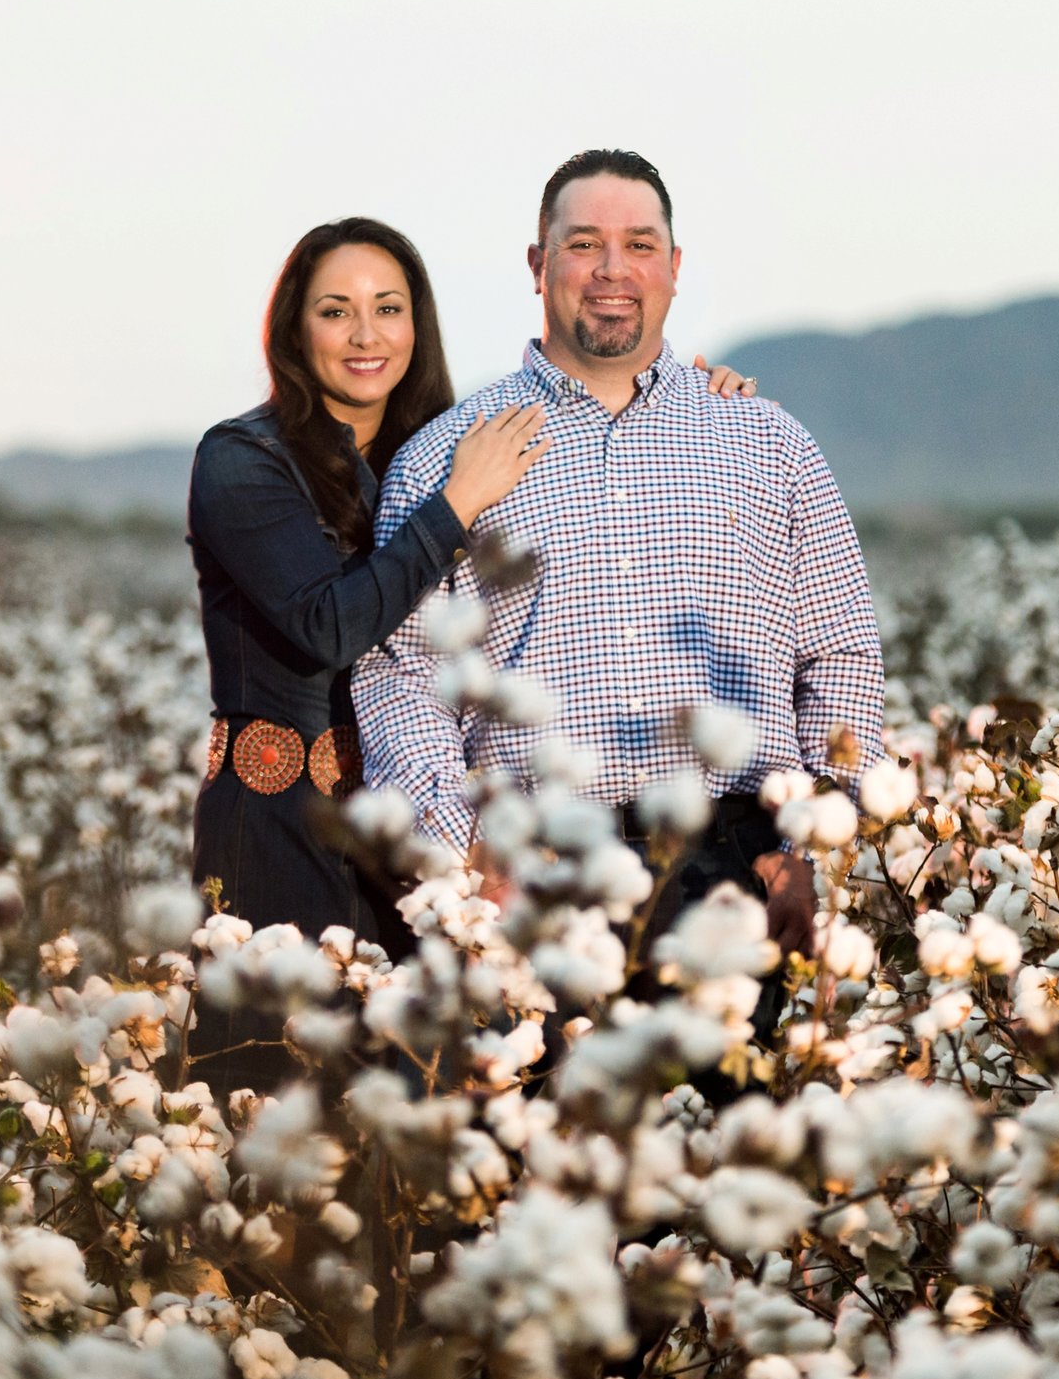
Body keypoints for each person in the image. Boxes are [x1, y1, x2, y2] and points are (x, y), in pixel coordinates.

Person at [186, 213, 760, 1090]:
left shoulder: (433, 448)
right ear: (294, 327)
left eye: (390, 307)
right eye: (336, 310)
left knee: (422, 1110)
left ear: (420, 324)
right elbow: (327, 626)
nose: (367, 333)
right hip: (281, 823)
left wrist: (689, 400)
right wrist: (454, 507)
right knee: (280, 1103)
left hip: (413, 832)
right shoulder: (242, 459)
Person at [352, 151, 884, 1036]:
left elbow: (840, 654)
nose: (612, 270)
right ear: (537, 265)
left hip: (735, 865)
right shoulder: (448, 456)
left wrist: (808, 850)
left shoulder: (771, 444)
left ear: (675, 267)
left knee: (731, 1162)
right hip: (534, 878)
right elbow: (397, 676)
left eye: (640, 244)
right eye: (583, 244)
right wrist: (465, 851)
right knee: (545, 1165)